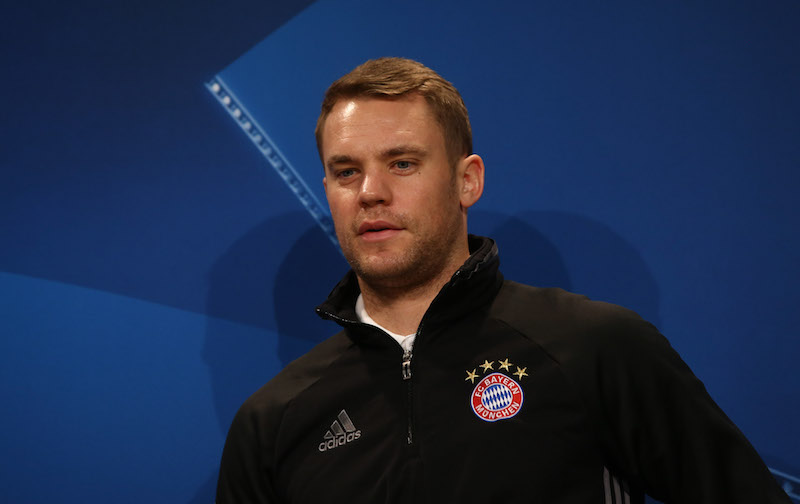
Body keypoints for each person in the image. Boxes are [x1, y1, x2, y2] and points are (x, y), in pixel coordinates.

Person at [216, 57, 790, 504]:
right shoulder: (273, 422)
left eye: (403, 163)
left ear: (468, 181)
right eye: (347, 171)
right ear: (329, 193)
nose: (370, 193)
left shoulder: (594, 349)